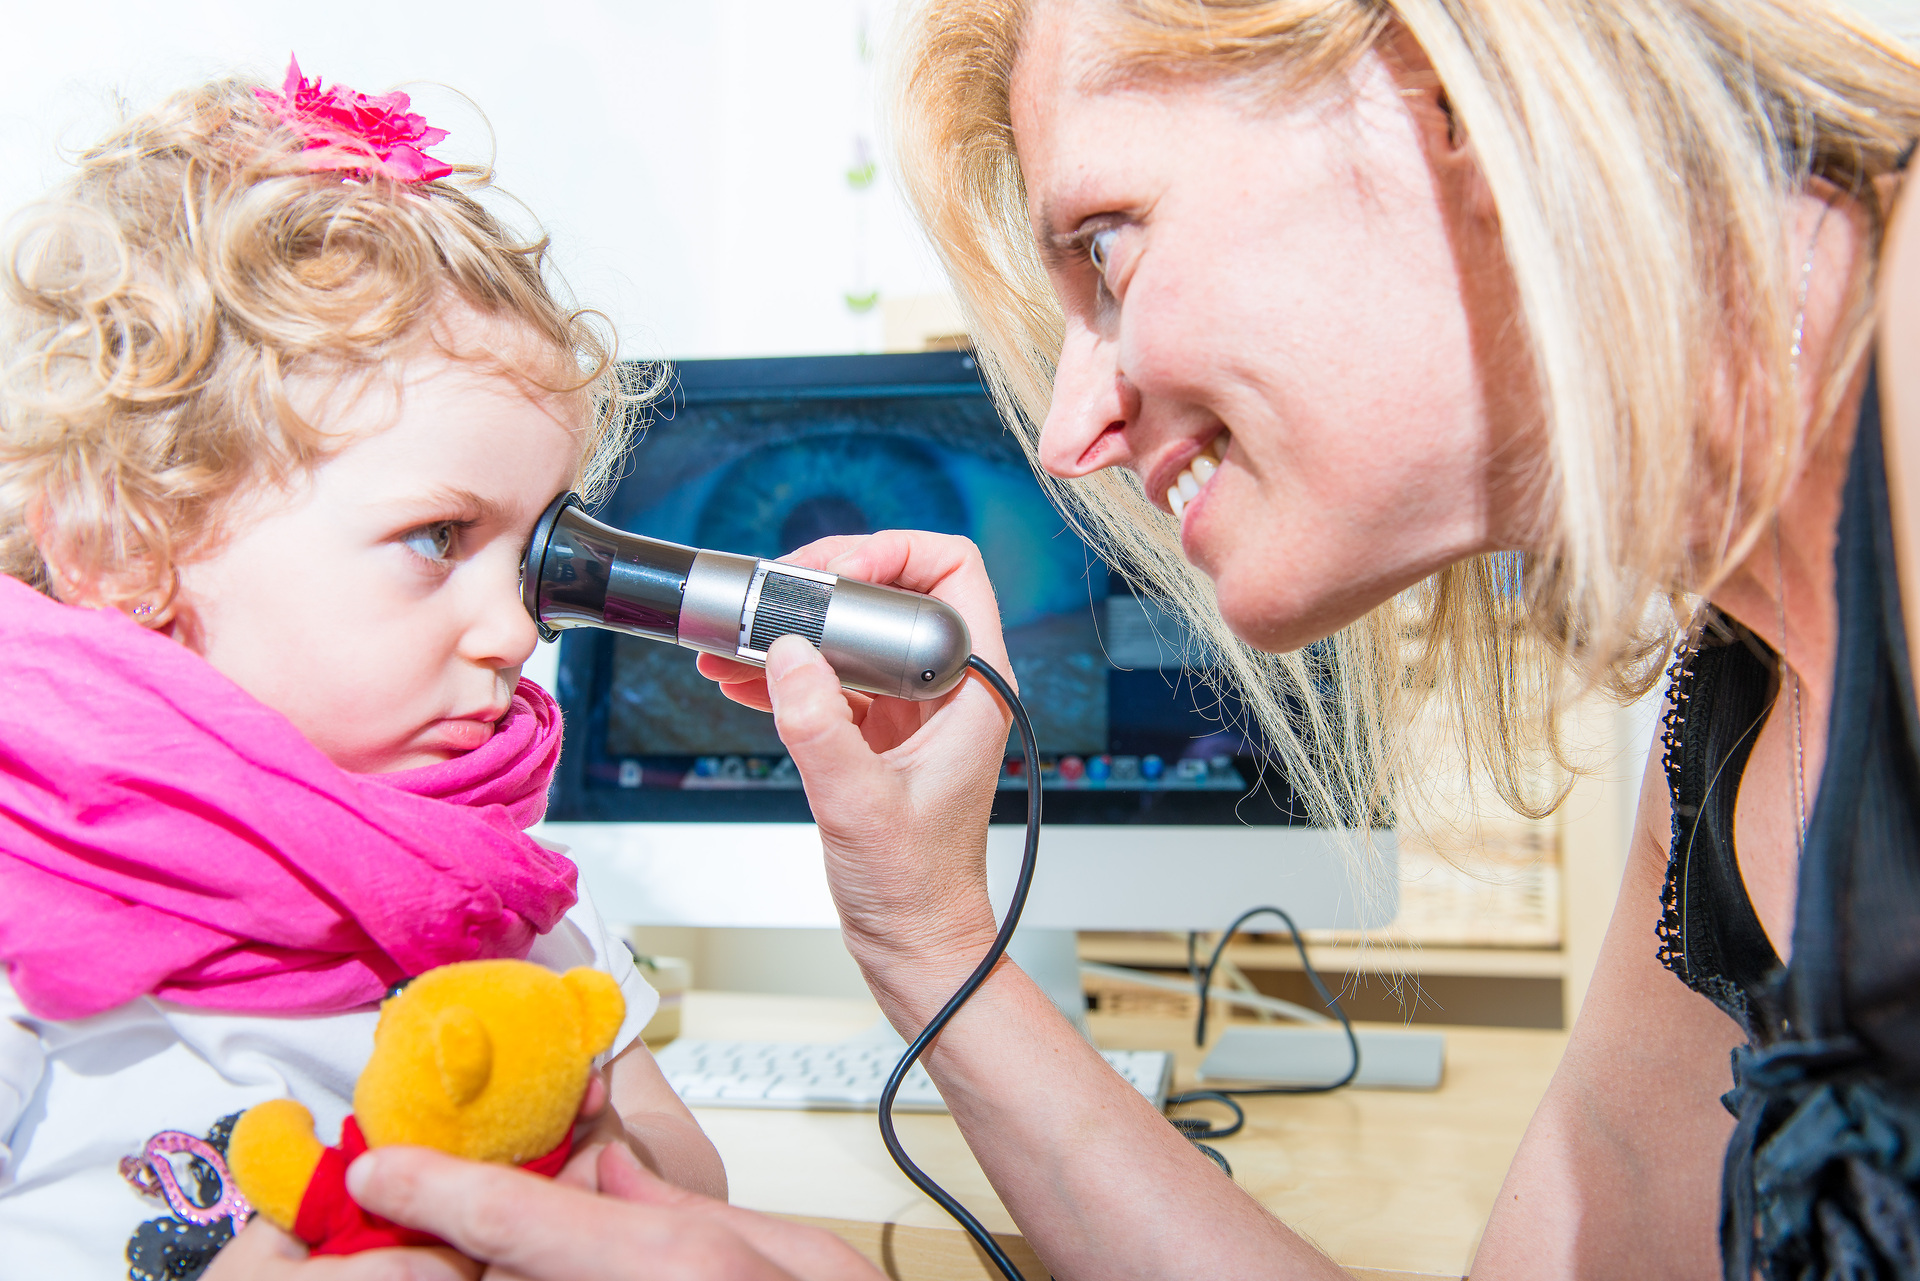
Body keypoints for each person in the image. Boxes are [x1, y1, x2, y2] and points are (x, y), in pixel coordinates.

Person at [90, 0, 1920, 1277]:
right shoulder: (1743, 709)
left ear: (1440, 74)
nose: (1070, 437)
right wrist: (925, 930)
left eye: (1105, 253)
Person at [0, 60, 725, 1279]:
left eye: (528, 549)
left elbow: (677, 1161)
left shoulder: (509, 889)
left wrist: (600, 1164)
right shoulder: (30, 904)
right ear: (127, 544)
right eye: (435, 538)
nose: (515, 632)